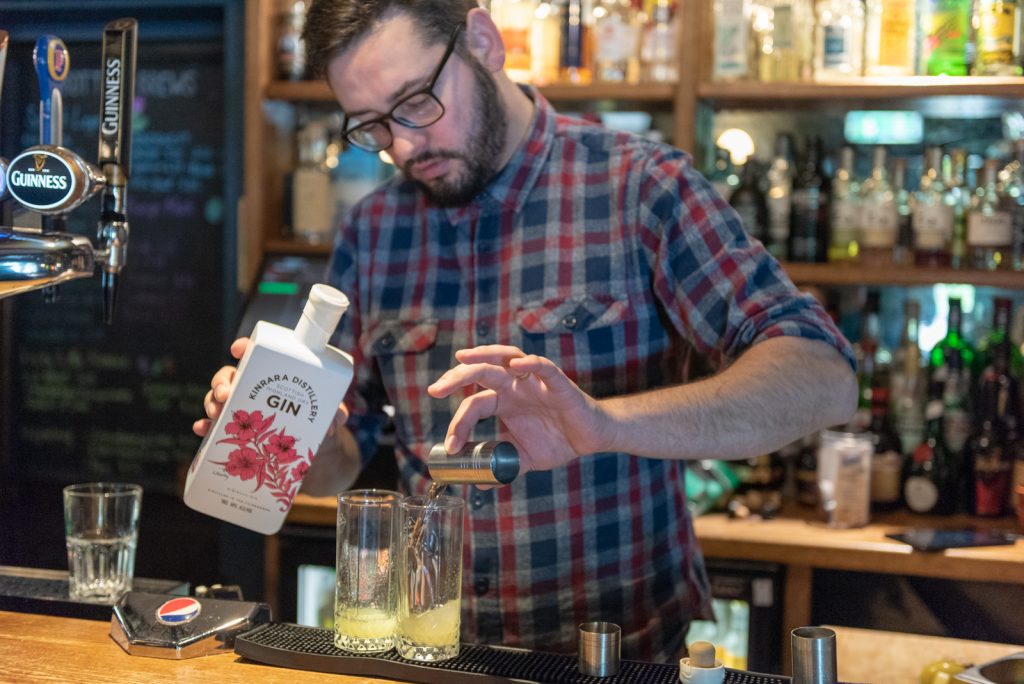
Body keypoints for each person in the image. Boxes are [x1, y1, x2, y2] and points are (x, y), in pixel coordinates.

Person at [195, 0, 857, 662]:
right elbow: (340, 468)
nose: (402, 145)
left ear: (482, 40)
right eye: (371, 126)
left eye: (415, 101)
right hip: (435, 653)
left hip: (615, 656)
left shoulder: (639, 186)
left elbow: (823, 377)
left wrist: (602, 424)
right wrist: (296, 433)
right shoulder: (373, 231)